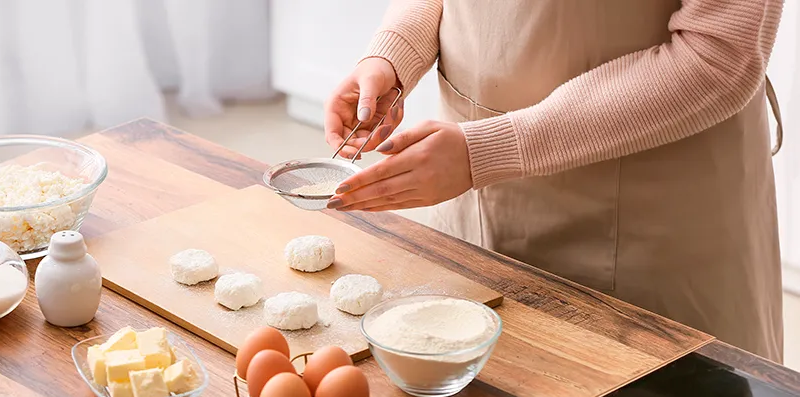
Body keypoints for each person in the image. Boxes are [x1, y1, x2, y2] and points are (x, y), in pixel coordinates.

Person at [323, 0, 785, 362]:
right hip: (473, 193)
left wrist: (484, 151)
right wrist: (394, 52)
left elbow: (721, 54)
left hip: (655, 222)